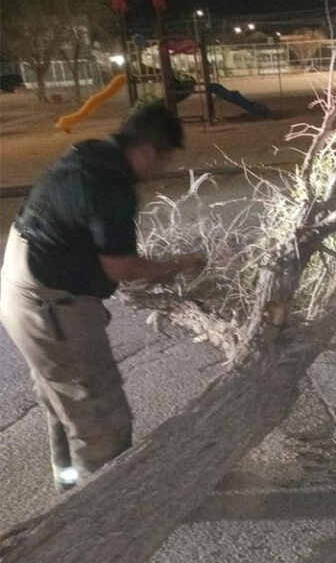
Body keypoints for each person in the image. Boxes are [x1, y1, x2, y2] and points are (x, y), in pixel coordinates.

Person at [0, 103, 205, 490]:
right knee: (98, 412)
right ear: (146, 151)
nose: (161, 171)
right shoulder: (110, 186)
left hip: (19, 285)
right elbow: (121, 268)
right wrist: (180, 264)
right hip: (49, 305)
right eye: (163, 160)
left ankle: (69, 483)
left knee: (61, 396)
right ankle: (103, 511)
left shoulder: (87, 155)